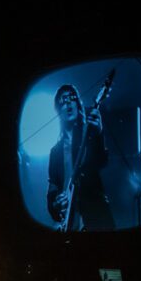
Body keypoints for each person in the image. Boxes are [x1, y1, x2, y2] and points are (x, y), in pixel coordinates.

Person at [46, 84, 114, 231]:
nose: (68, 102)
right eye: (63, 101)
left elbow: (102, 161)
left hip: (95, 217)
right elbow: (52, 190)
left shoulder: (89, 134)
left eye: (72, 97)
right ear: (58, 111)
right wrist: (55, 203)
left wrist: (99, 133)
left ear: (78, 104)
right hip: (70, 223)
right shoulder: (54, 152)